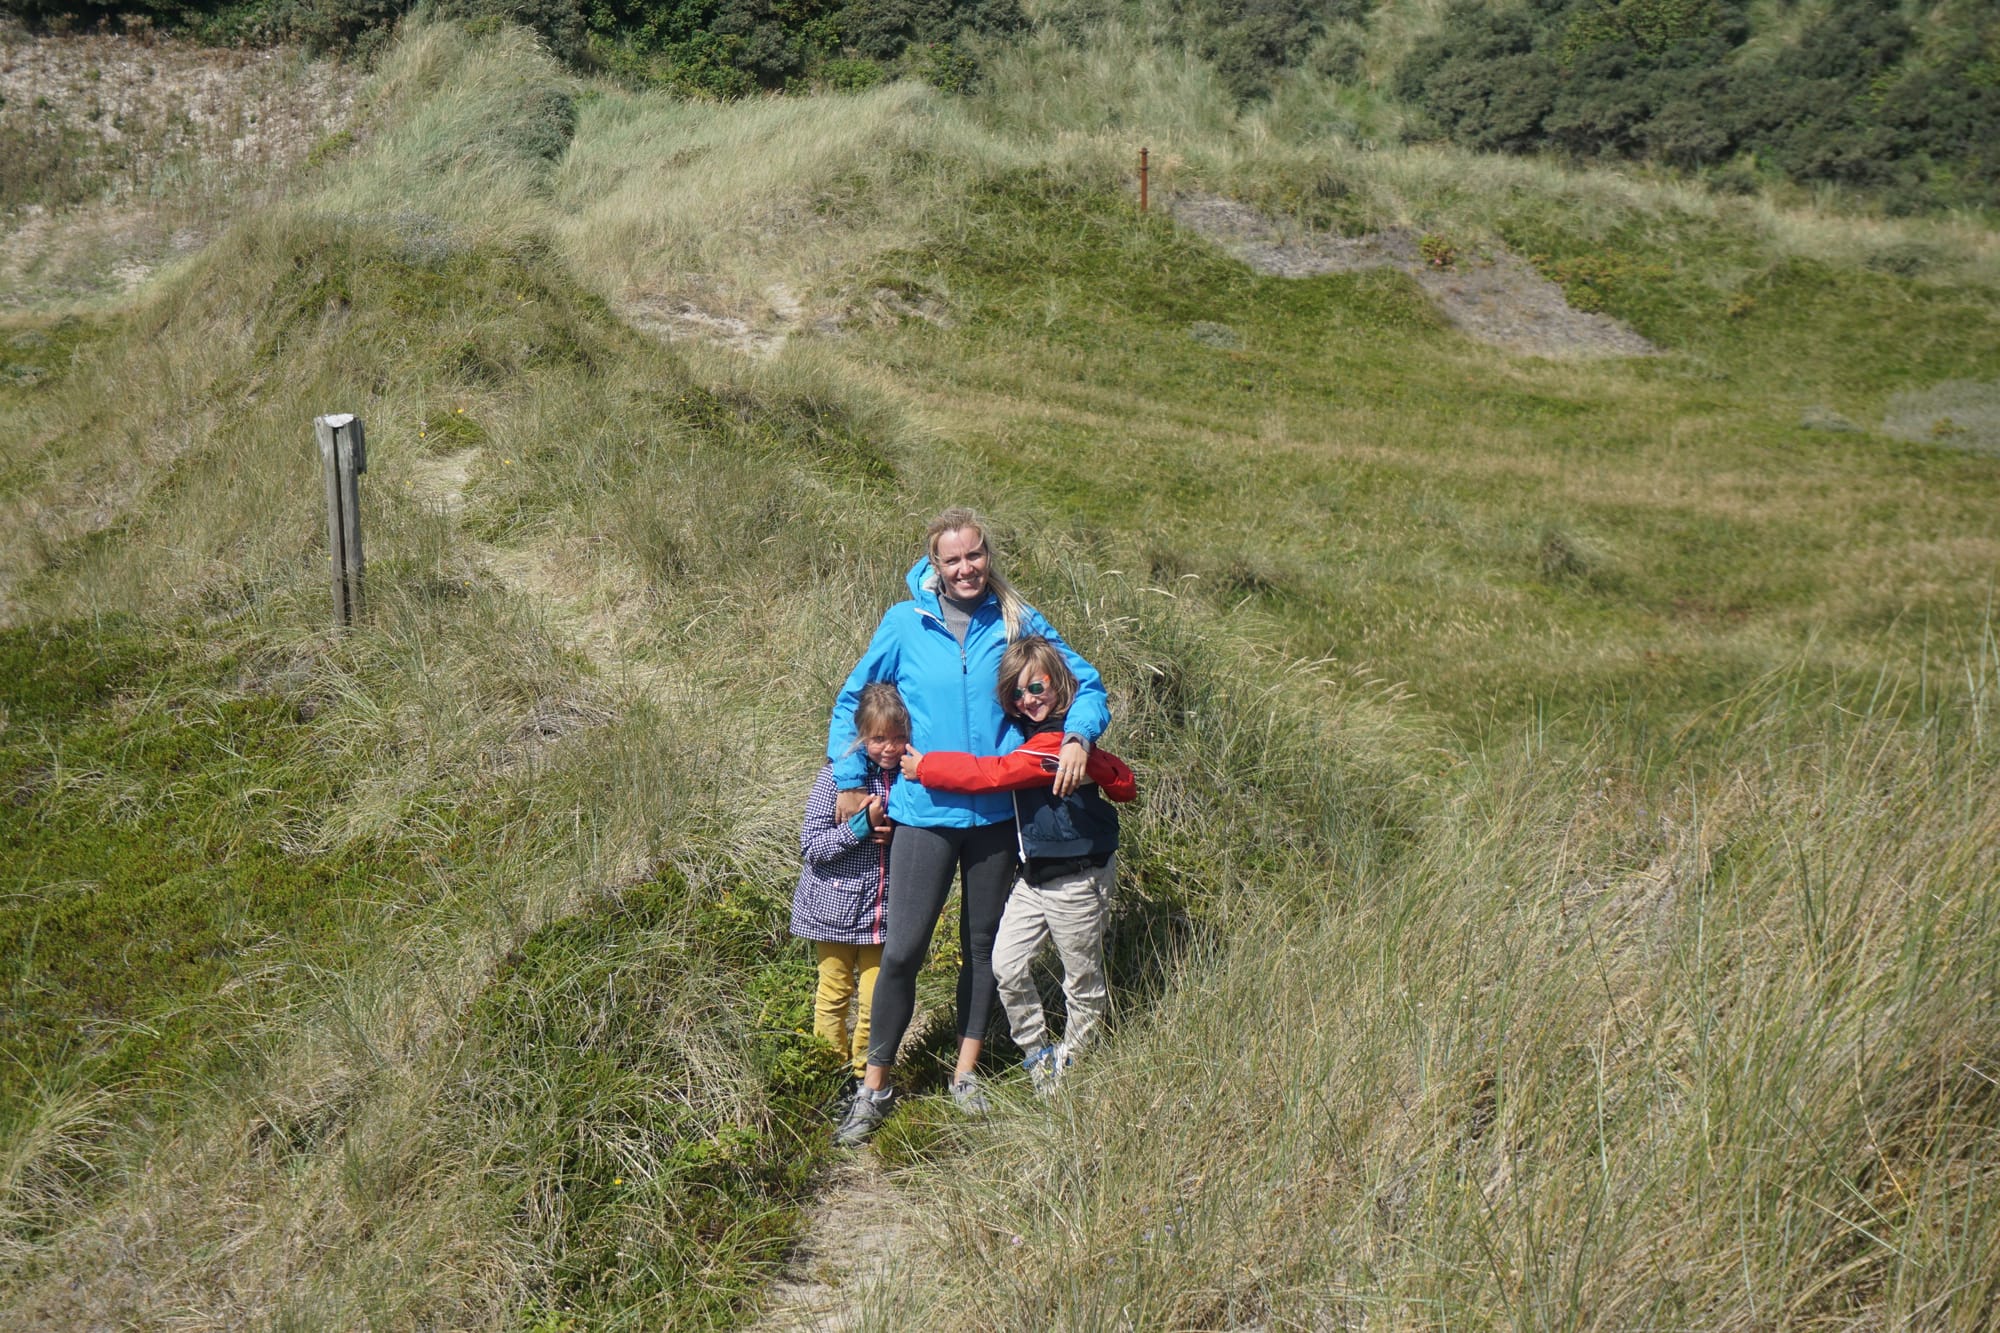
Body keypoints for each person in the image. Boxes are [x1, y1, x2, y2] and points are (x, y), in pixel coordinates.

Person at [828, 507, 1109, 1146]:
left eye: (974, 555)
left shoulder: (1015, 619)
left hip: (996, 814)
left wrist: (1077, 737)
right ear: (934, 563)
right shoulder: (905, 623)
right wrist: (849, 779)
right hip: (924, 811)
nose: (965, 569)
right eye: (952, 559)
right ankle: (875, 1088)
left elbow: (1086, 683)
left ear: (988, 555)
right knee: (903, 950)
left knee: (982, 949)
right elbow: (852, 699)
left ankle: (965, 1075)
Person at [901, 636, 1136, 1095]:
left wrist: (927, 768)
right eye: (1016, 693)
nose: (1027, 699)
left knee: (1081, 982)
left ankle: (1070, 1069)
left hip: (1078, 878)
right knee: (1006, 966)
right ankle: (1039, 1056)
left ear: (1060, 684)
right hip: (1035, 878)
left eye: (1037, 687)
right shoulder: (1034, 735)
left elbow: (993, 773)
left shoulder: (1056, 744)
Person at [791, 683, 907, 1096]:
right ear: (859, 736)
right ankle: (829, 1075)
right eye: (878, 738)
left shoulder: (909, 780)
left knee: (877, 1001)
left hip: (882, 914)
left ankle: (863, 1077)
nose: (889, 748)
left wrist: (897, 837)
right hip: (832, 911)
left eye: (898, 737)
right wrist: (860, 828)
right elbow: (812, 846)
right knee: (834, 995)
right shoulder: (836, 778)